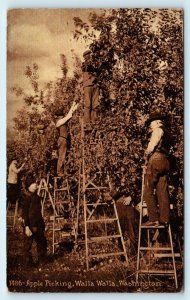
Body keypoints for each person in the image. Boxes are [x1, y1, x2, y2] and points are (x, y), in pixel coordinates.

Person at [143, 111, 171, 226]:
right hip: (165, 161)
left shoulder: (158, 130)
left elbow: (152, 146)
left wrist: (146, 153)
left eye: (151, 122)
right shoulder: (167, 131)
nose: (150, 125)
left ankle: (153, 218)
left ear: (156, 122)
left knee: (148, 189)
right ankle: (164, 219)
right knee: (162, 190)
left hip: (156, 159)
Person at [22, 173, 48, 267]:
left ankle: (42, 261)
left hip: (38, 224)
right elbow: (24, 214)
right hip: (30, 224)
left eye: (36, 183)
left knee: (42, 242)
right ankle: (28, 263)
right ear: (29, 185)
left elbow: (38, 212)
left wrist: (42, 224)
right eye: (34, 183)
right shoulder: (26, 198)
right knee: (28, 245)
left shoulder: (36, 197)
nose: (36, 185)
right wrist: (27, 227)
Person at [55, 101, 78, 176]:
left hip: (65, 140)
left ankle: (65, 171)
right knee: (62, 155)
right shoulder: (59, 122)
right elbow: (69, 116)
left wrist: (75, 105)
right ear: (59, 116)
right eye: (61, 115)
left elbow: (69, 114)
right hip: (62, 140)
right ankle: (59, 172)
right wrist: (73, 105)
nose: (62, 116)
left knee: (66, 155)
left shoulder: (62, 121)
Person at [82, 50, 100, 127]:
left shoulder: (95, 63)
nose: (89, 57)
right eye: (87, 56)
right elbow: (87, 68)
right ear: (85, 57)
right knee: (88, 104)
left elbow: (98, 70)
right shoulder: (85, 65)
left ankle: (94, 121)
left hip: (95, 86)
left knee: (95, 104)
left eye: (90, 55)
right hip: (88, 86)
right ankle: (87, 122)